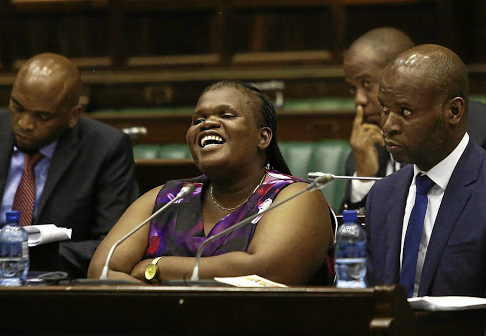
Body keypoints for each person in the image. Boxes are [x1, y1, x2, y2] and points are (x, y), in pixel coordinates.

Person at [88, 80, 335, 285]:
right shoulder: (168, 198)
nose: (207, 124)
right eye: (197, 120)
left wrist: (156, 267)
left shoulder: (295, 196)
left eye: (227, 115)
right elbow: (101, 272)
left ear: (263, 137)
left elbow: (264, 273)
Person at [0, 53, 140, 279]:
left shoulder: (105, 148)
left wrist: (20, 254)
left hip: (58, 284)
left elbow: (116, 245)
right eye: (18, 107)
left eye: (42, 116)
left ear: (73, 115)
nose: (25, 124)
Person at [366, 44, 486, 297]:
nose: (388, 126)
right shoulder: (382, 195)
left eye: (405, 112)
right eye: (385, 109)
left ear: (453, 111)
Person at [339, 27, 486, 213]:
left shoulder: (480, 132)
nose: (358, 100)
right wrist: (363, 179)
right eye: (353, 88)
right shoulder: (365, 148)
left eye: (366, 83)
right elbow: (352, 235)